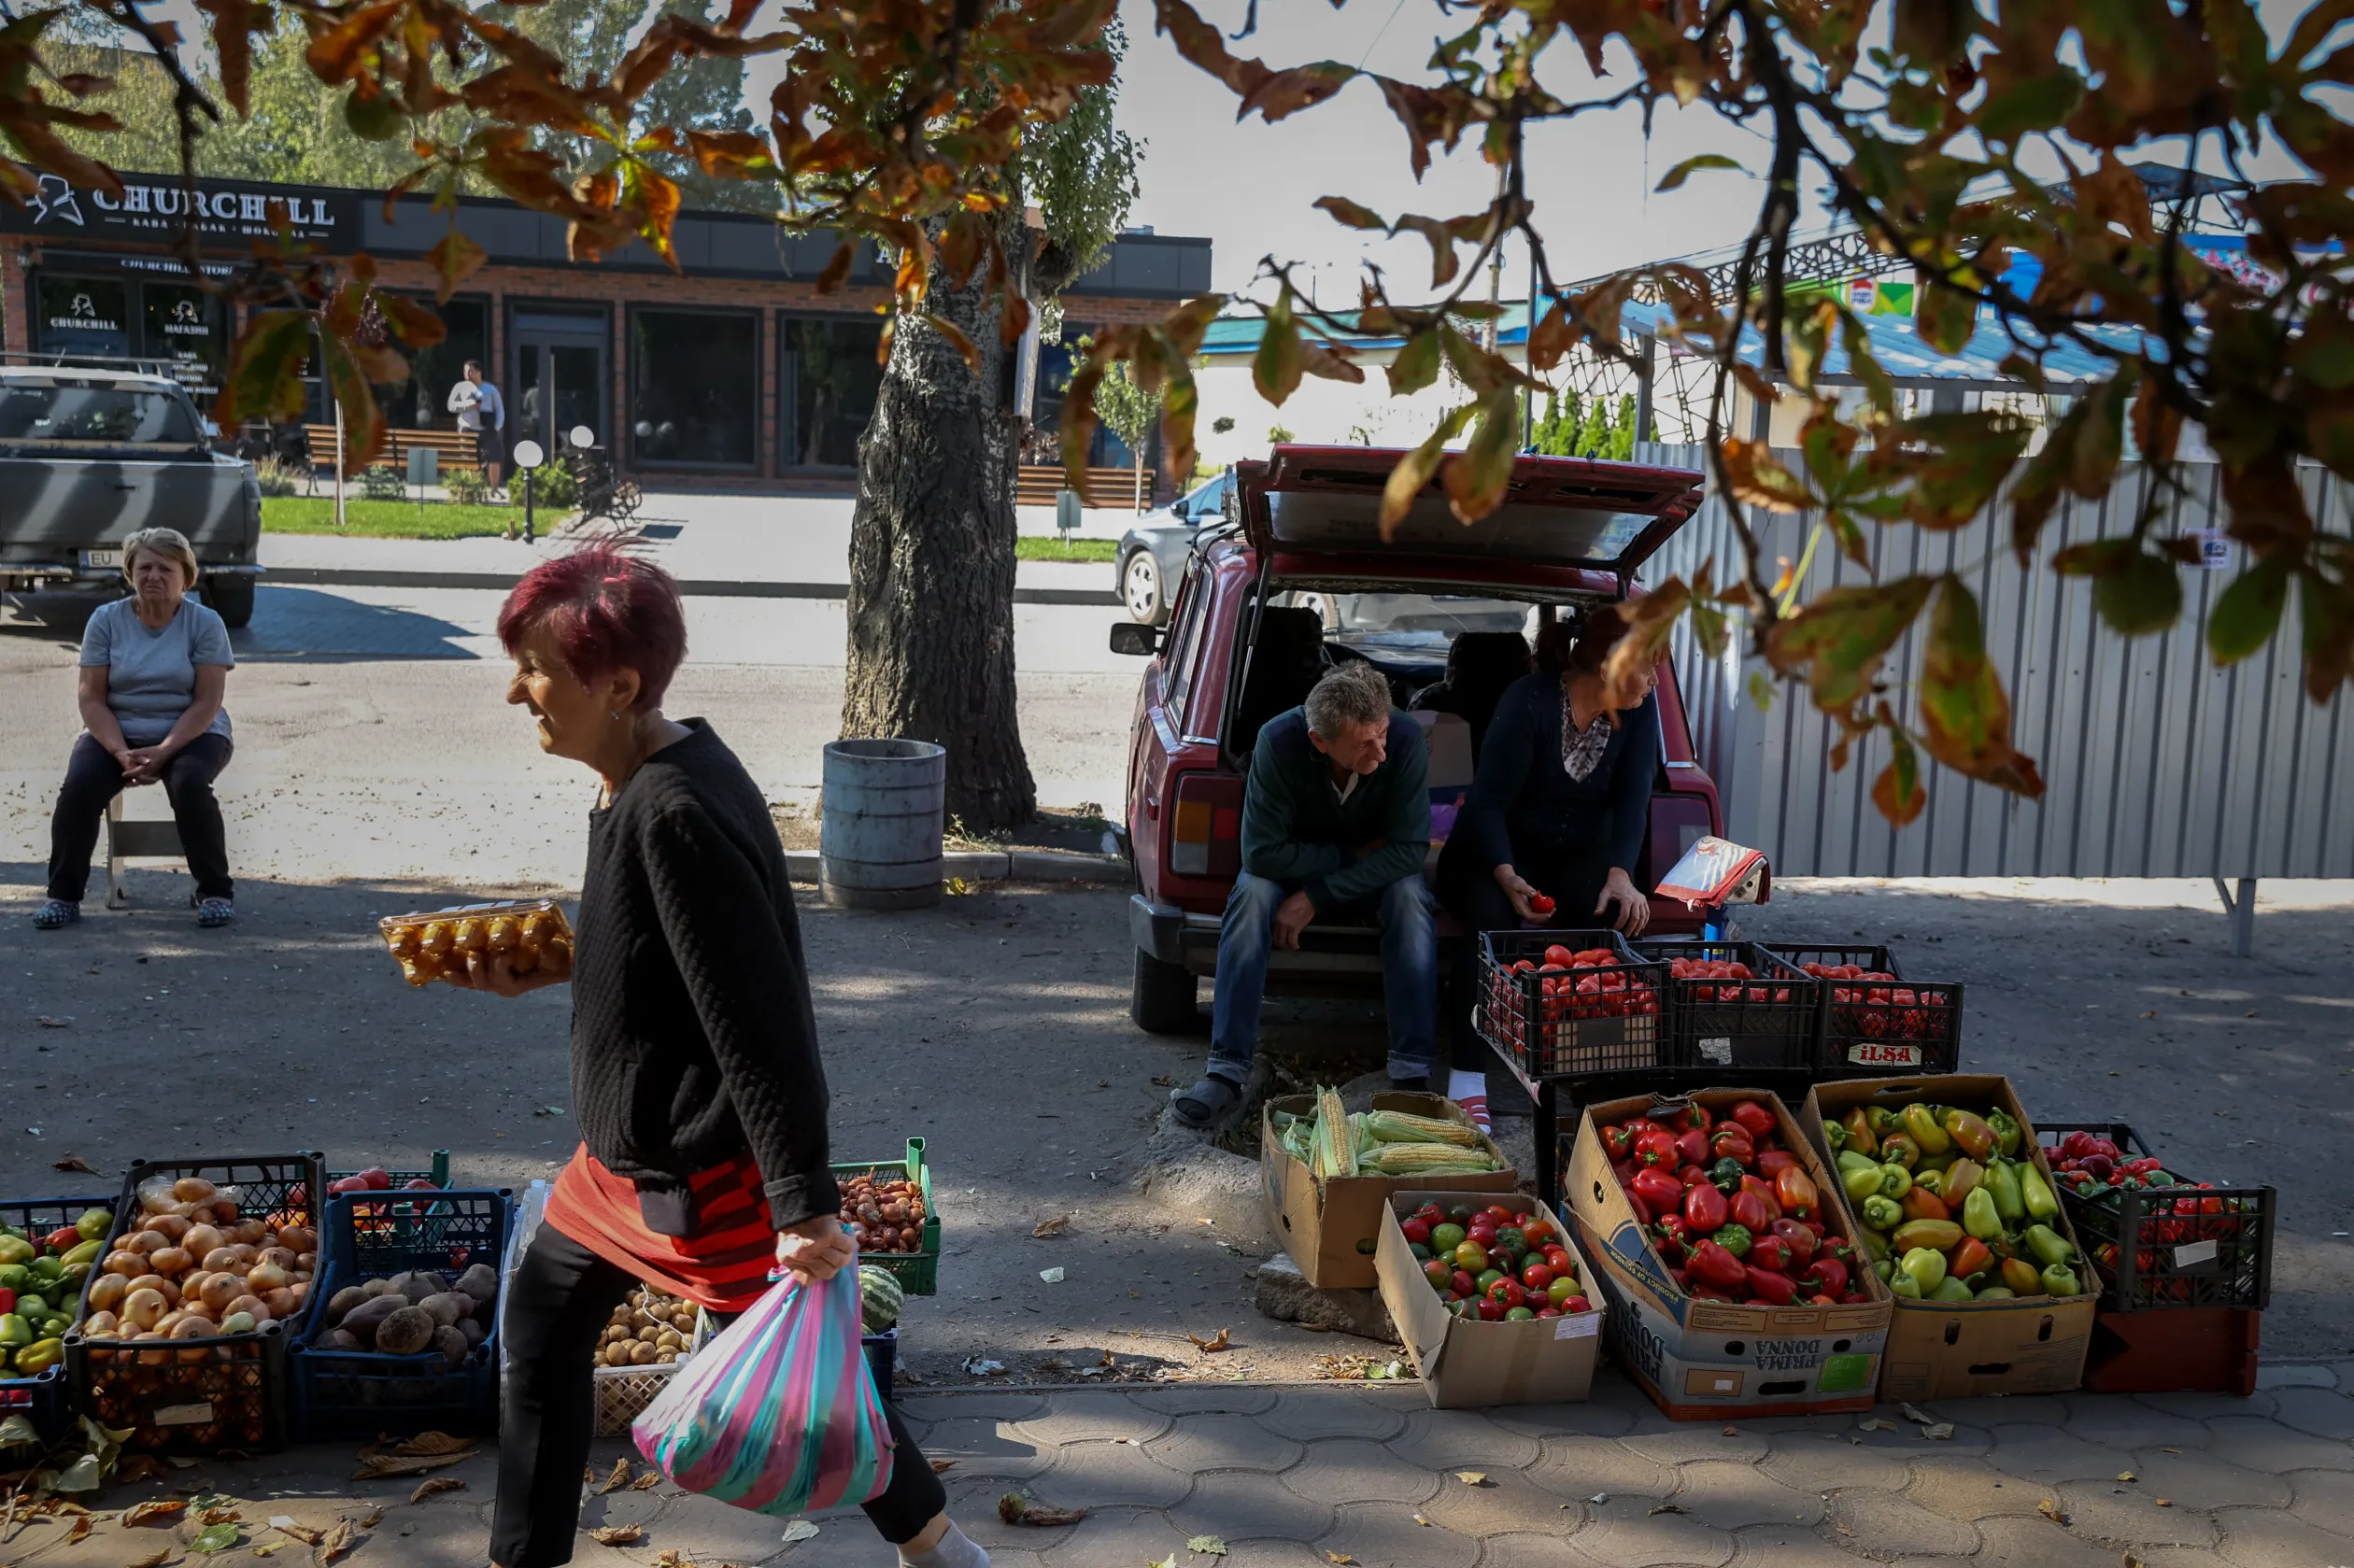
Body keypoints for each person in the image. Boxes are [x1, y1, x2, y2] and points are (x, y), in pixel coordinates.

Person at [449, 546, 984, 1568]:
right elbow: (662, 956)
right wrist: (552, 962)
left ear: (619, 685)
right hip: (616, 1167)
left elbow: (759, 1014)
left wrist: (803, 1203)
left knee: (826, 1396)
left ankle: (939, 1545)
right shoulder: (635, 774)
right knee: (542, 1327)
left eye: (535, 669)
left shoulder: (674, 808)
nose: (518, 691)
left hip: (708, 1180)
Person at [1171, 661, 1436, 1128]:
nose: (1382, 752)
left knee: (1410, 899)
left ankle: (1412, 1072)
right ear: (1320, 740)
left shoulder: (1408, 739)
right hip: (1297, 868)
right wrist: (1350, 856)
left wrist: (1317, 896)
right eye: (1364, 744)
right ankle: (1226, 1070)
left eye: (1382, 733)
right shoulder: (1278, 741)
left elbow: (1410, 851)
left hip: (1364, 874)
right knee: (1251, 896)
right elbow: (1260, 855)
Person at [1437, 606, 1661, 1069]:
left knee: (1608, 908)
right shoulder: (1529, 701)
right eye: (1647, 665)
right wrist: (1506, 873)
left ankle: (1585, 1056)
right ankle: (1468, 1073)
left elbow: (1633, 800)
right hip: (1491, 852)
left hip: (1570, 856)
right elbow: (1487, 803)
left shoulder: (1640, 711)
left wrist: (1621, 872)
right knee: (1489, 918)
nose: (1655, 678)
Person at [35, 528, 236, 930]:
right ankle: (63, 896)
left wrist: (164, 750)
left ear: (187, 577)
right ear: (130, 574)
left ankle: (215, 891)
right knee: (79, 788)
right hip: (117, 730)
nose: (154, 576)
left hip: (192, 731)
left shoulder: (205, 623)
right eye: (144, 567)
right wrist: (118, 752)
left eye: (165, 568)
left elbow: (206, 702)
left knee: (190, 783)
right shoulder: (105, 621)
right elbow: (91, 698)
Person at [448, 359, 507, 495]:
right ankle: (472, 488)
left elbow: (499, 408)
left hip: (487, 429)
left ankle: (494, 489)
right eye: (465, 371)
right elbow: (451, 407)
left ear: (479, 372)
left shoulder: (490, 389)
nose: (468, 374)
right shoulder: (460, 388)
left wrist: (497, 427)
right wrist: (469, 406)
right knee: (468, 459)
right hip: (467, 429)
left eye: (471, 371)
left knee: (494, 458)